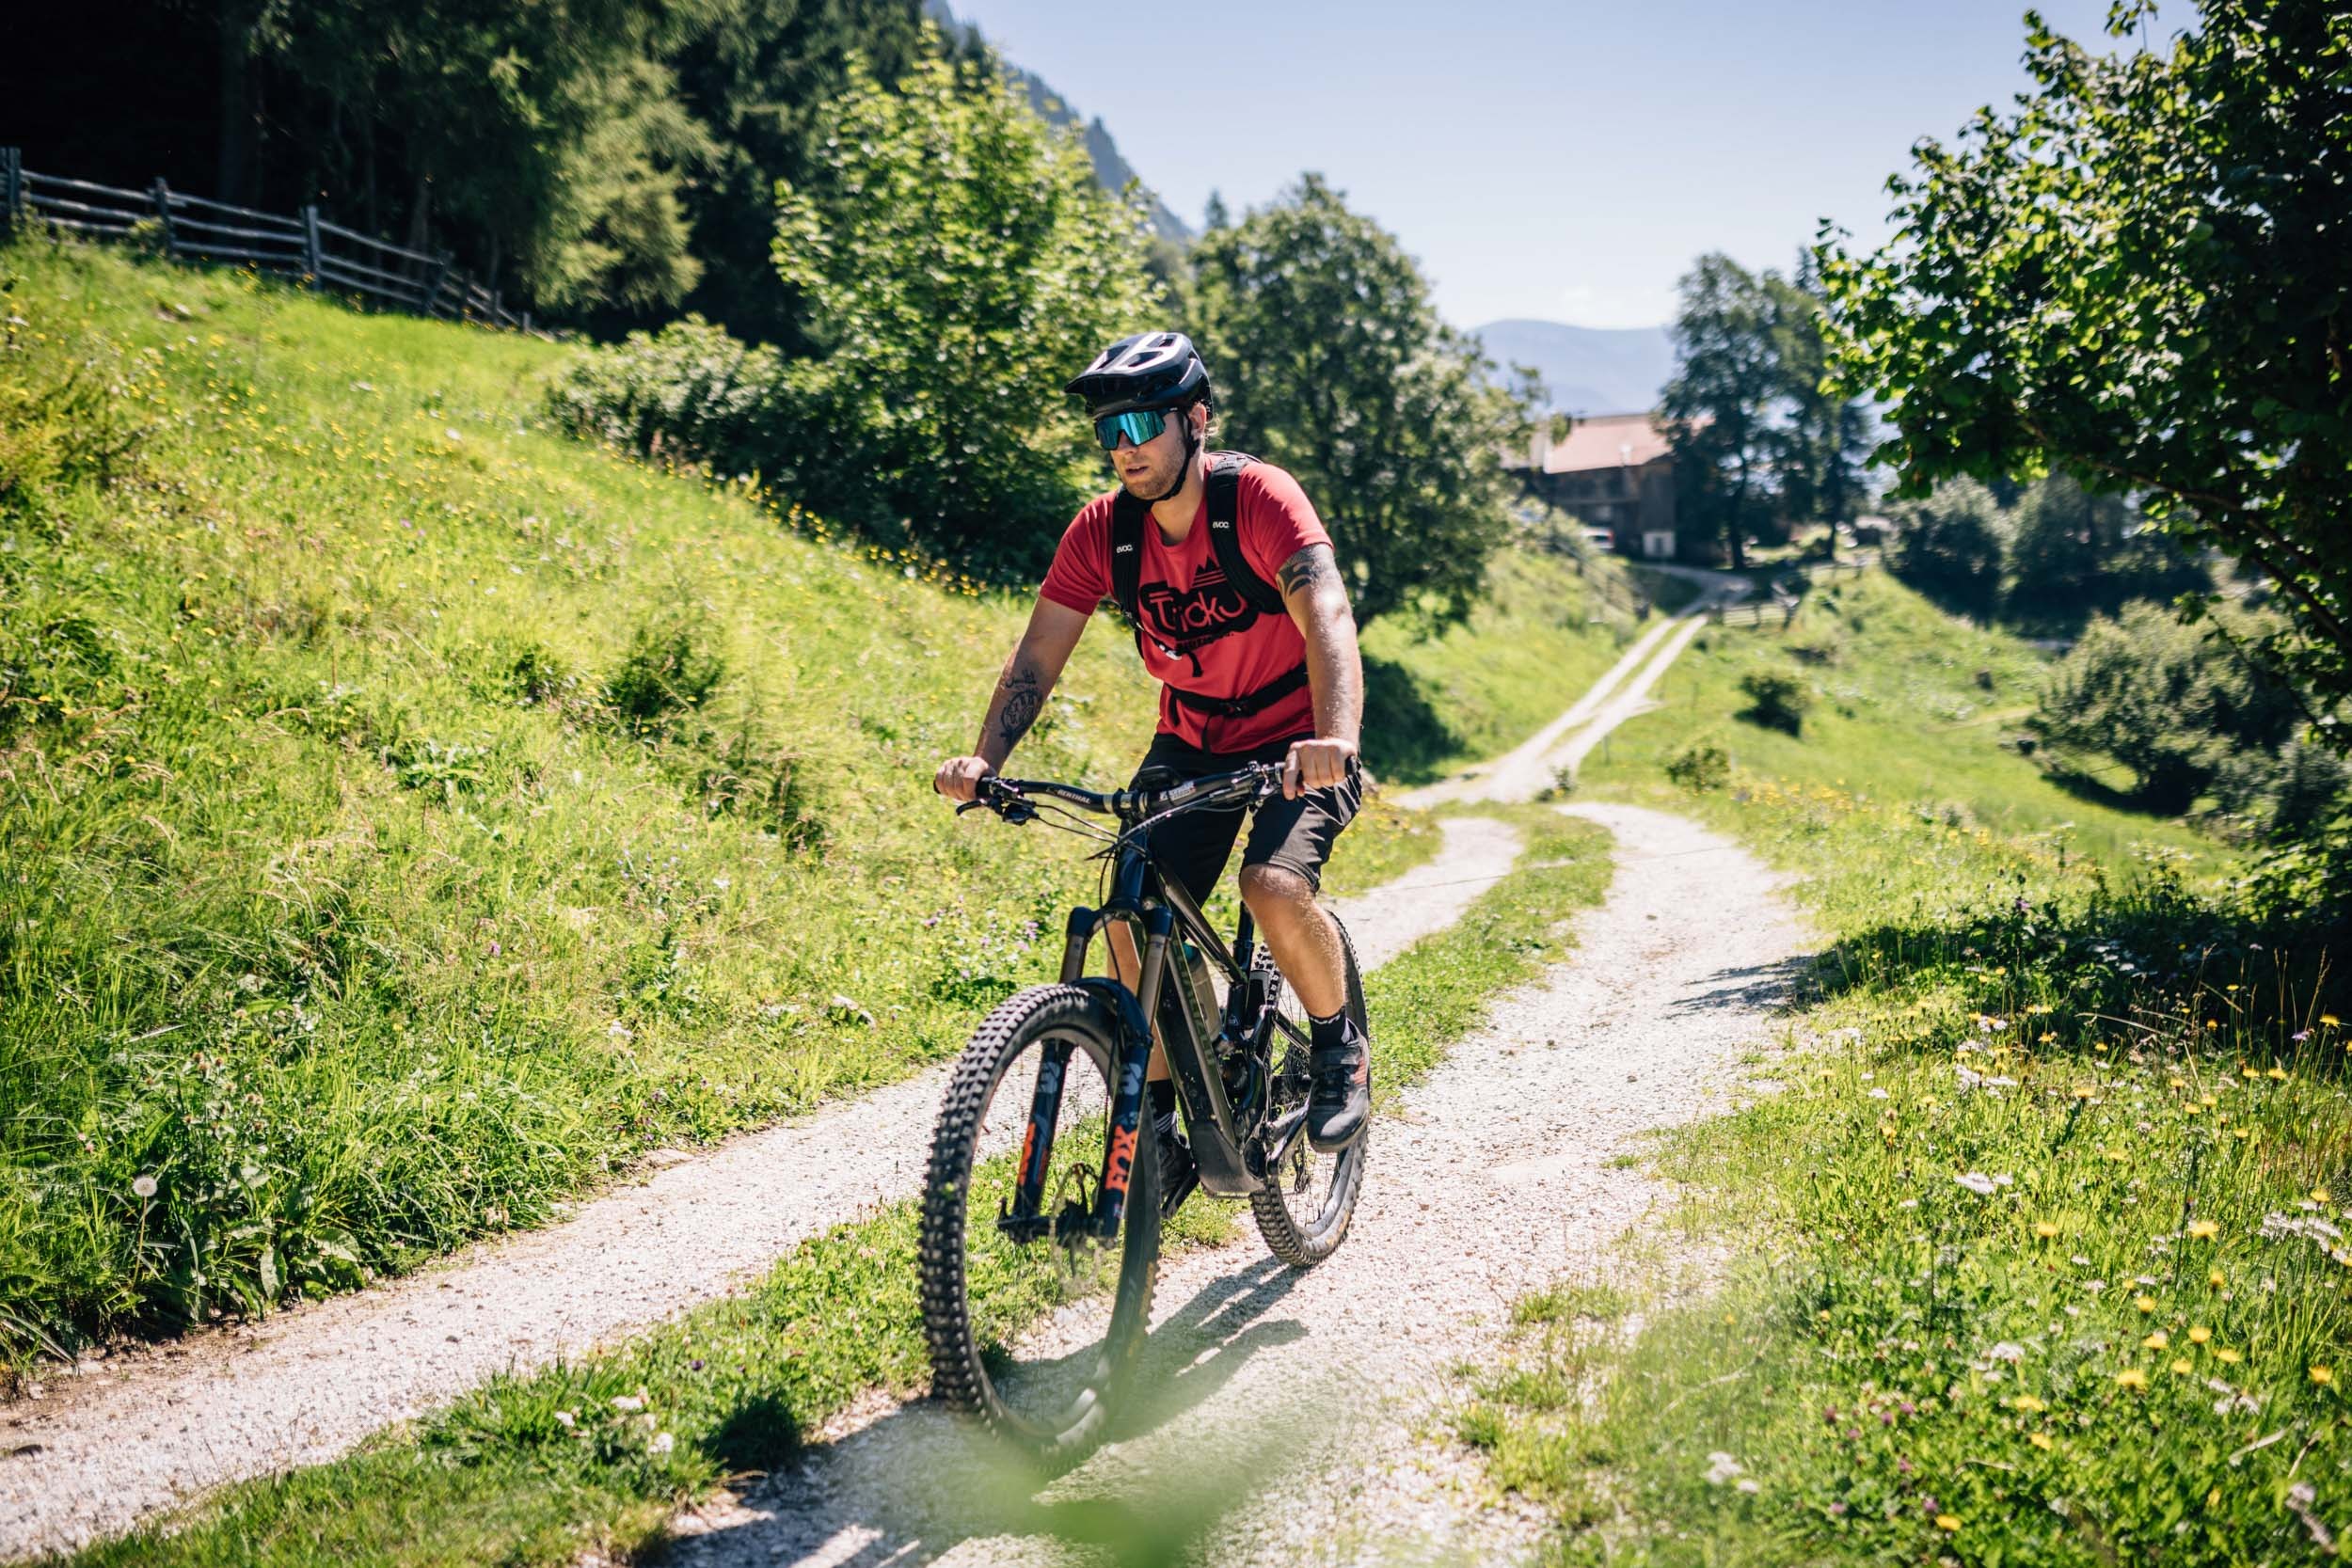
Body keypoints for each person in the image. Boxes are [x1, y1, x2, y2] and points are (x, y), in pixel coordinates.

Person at [933, 330, 1371, 1164]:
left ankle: (1336, 1044)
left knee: (1273, 885)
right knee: (1131, 912)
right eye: (1109, 430)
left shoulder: (1259, 499)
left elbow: (1328, 614)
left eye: (1141, 425)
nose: (1123, 447)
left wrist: (1335, 737)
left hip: (1298, 734)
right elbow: (1036, 656)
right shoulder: (1104, 532)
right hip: (1193, 736)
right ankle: (1168, 1122)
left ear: (1195, 419)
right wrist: (985, 759)